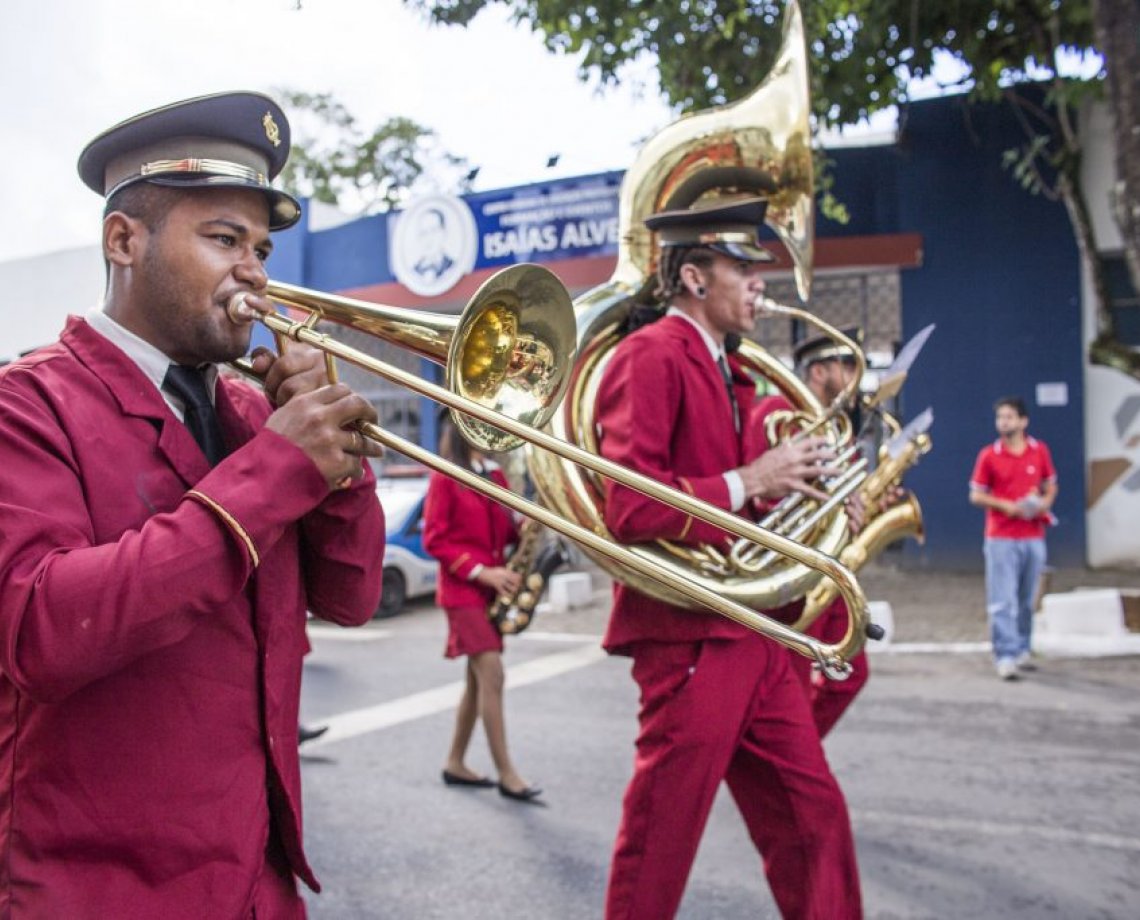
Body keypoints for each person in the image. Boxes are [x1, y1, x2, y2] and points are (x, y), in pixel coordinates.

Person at [0, 91, 386, 917]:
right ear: (123, 239)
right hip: (99, 890)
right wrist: (279, 471)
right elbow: (39, 630)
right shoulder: (25, 406)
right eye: (223, 239)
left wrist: (341, 470)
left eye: (261, 247)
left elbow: (353, 599)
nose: (254, 270)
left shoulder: (253, 416)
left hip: (258, 878)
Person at [594, 197, 862, 919]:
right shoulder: (647, 355)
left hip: (754, 631)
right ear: (692, 278)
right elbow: (631, 506)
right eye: (741, 267)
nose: (758, 284)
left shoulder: (733, 373)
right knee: (661, 844)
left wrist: (821, 501)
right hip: (690, 639)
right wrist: (756, 478)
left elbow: (751, 507)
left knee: (815, 820)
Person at [748, 327, 872, 738]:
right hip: (796, 569)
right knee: (795, 687)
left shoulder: (836, 425)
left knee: (853, 671)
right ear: (819, 371)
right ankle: (797, 755)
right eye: (848, 364)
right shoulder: (779, 411)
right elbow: (765, 494)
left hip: (830, 568)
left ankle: (802, 749)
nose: (856, 374)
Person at [421, 412, 542, 803]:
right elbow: (435, 541)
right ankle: (508, 774)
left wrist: (527, 526)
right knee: (492, 676)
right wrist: (484, 574)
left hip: (487, 592)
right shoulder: (446, 475)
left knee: (477, 683)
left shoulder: (494, 474)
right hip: (463, 593)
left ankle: (455, 761)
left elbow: (505, 530)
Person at [969, 396, 1057, 680]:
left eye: (1009, 417)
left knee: (1026, 599)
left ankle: (1021, 649)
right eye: (1000, 418)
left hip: (1033, 535)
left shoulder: (1039, 450)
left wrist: (1043, 503)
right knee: (1002, 600)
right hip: (1001, 537)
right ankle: (1005, 654)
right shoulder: (988, 455)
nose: (1003, 422)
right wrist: (1006, 506)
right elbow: (976, 494)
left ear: (1023, 421)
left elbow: (1051, 485)